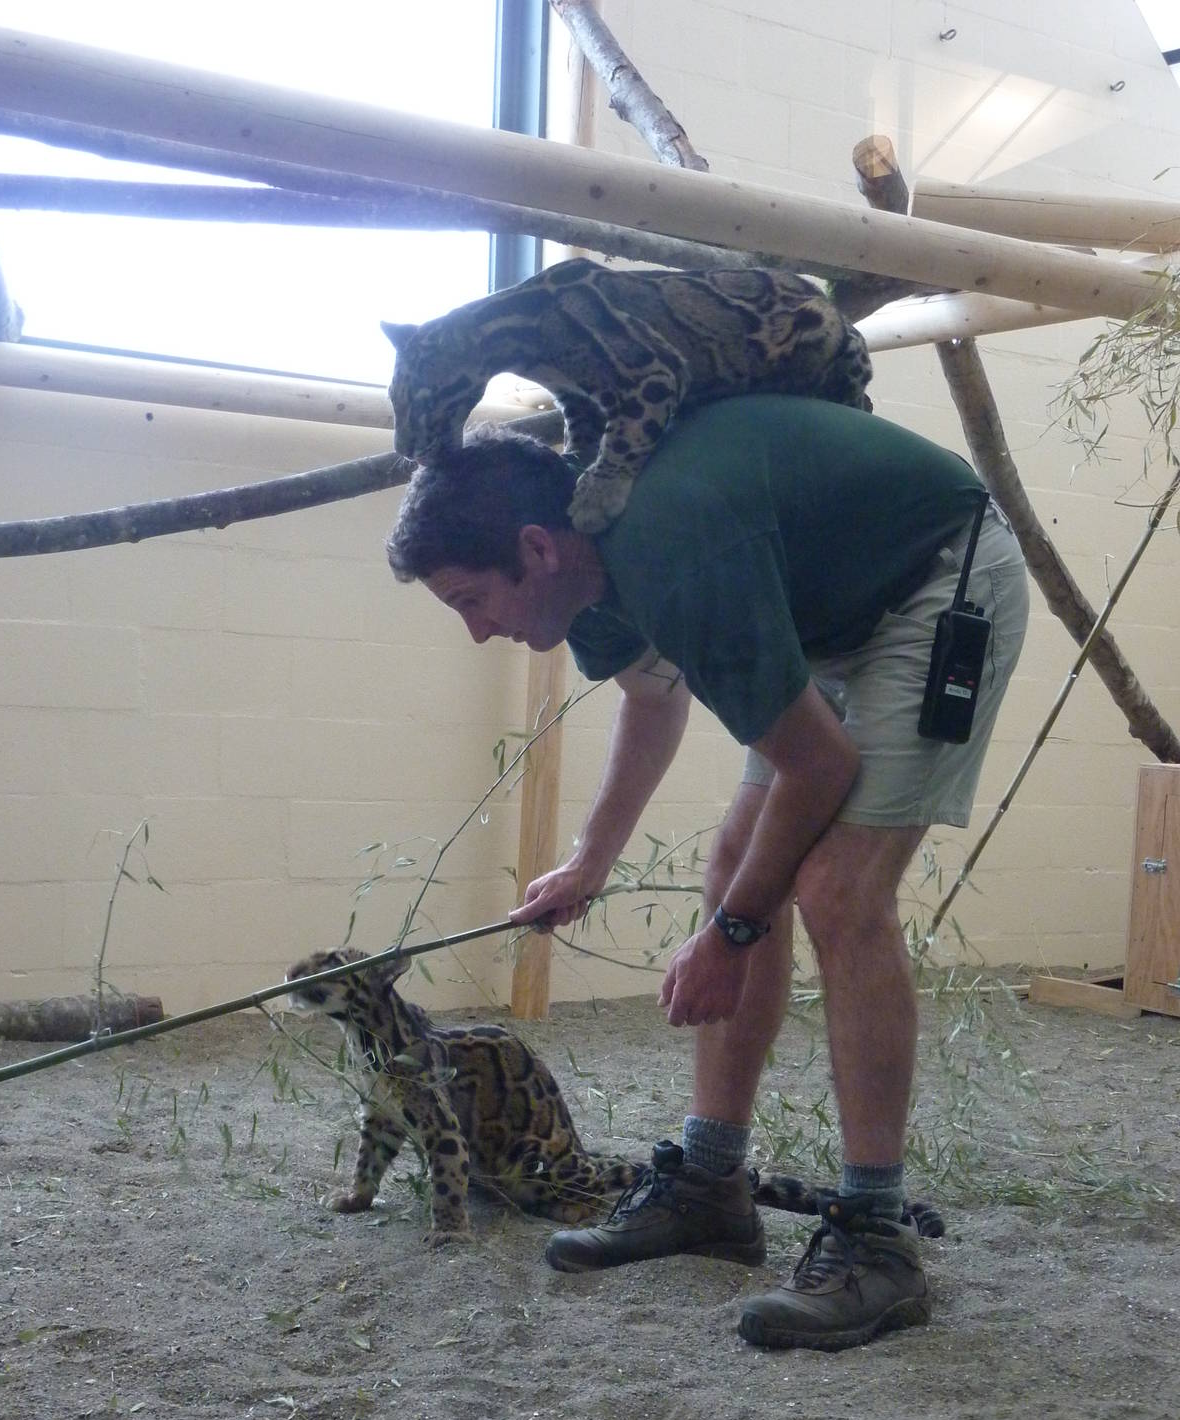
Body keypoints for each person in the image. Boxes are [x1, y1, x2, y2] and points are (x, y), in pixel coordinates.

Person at [386, 394, 1028, 1352]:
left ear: (535, 548)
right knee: (737, 859)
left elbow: (821, 769)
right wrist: (587, 863)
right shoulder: (586, 574)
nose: (477, 631)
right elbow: (653, 701)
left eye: (470, 601)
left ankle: (878, 1236)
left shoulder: (672, 550)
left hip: (939, 579)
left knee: (836, 888)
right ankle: (711, 1185)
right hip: (829, 618)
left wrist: (731, 936)